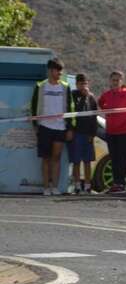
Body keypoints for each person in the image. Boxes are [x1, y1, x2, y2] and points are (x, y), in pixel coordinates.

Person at [30, 58, 75, 196]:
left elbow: (71, 107)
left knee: (56, 157)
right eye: (57, 70)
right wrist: (35, 125)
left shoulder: (65, 87)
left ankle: (55, 187)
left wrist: (70, 128)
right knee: (45, 158)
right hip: (44, 127)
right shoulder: (40, 86)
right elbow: (33, 106)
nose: (60, 73)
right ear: (50, 70)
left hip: (60, 127)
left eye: (61, 70)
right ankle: (45, 187)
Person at [68, 73, 99, 194]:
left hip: (87, 134)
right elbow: (74, 112)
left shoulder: (91, 97)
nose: (83, 86)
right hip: (76, 133)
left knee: (87, 161)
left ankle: (87, 185)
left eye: (85, 84)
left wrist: (93, 133)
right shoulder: (73, 95)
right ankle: (76, 185)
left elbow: (94, 116)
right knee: (76, 161)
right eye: (81, 84)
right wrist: (83, 98)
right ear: (76, 84)